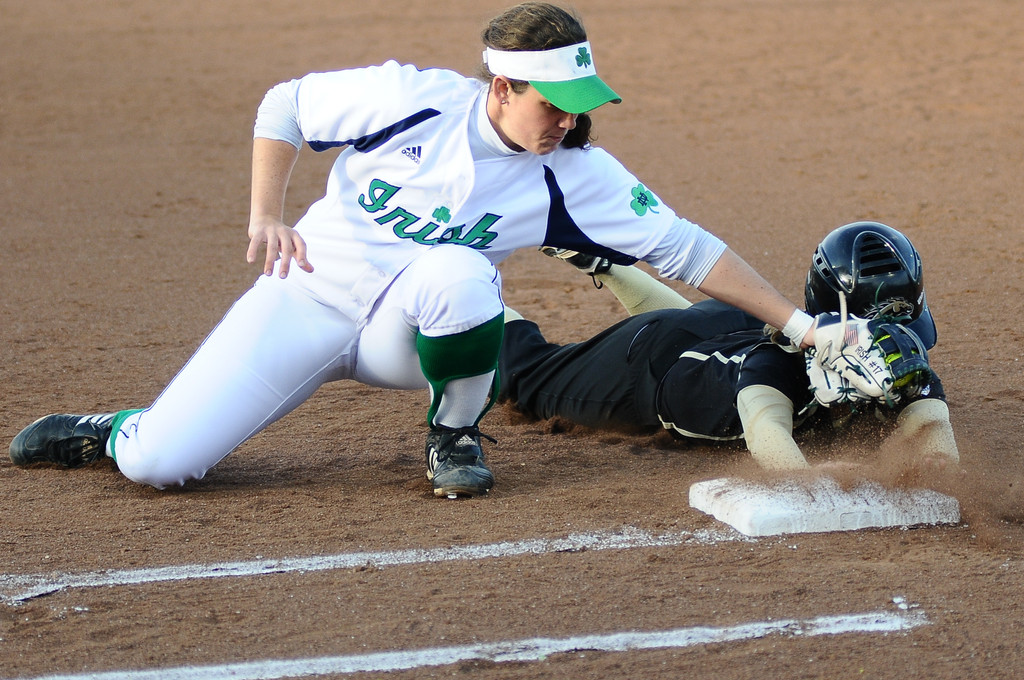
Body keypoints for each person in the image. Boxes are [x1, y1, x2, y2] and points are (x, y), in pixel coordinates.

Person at [10, 2, 838, 498]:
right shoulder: (409, 100)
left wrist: (802, 329)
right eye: (552, 103)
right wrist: (268, 210)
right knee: (163, 465)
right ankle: (115, 429)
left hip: (413, 336)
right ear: (501, 87)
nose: (568, 122)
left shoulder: (575, 175)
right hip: (303, 300)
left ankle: (454, 433)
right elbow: (285, 105)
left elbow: (689, 251)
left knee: (457, 270)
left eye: (579, 104)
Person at [498, 221, 960, 471]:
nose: (889, 350)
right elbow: (776, 452)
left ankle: (606, 264)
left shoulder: (902, 355)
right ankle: (477, 304)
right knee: (525, 380)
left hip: (732, 324)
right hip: (654, 361)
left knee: (690, 321)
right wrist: (843, 475)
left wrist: (931, 442)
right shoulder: (773, 369)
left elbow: (936, 439)